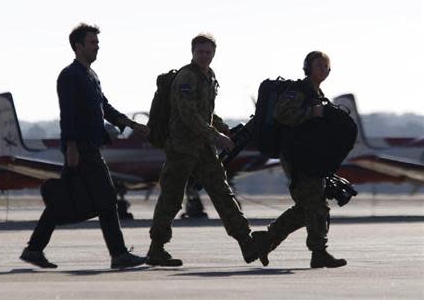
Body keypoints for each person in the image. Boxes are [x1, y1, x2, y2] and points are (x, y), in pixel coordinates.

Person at [20, 23, 149, 269]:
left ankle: (34, 249)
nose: (97, 47)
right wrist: (71, 146)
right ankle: (119, 254)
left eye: (97, 43)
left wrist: (131, 124)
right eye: (92, 43)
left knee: (64, 200)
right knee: (107, 200)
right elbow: (67, 114)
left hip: (90, 147)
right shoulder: (70, 76)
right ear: (78, 46)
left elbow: (105, 108)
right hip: (82, 149)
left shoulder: (91, 76)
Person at [146, 34, 259, 266]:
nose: (204, 56)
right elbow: (188, 114)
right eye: (200, 52)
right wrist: (214, 135)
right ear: (192, 52)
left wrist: (223, 129)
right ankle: (156, 248)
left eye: (208, 52)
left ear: (214, 54)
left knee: (223, 194)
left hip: (204, 149)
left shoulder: (209, 77)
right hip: (182, 148)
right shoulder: (186, 77)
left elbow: (206, 111)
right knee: (171, 198)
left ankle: (246, 242)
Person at [253, 51, 347, 268]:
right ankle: (318, 252)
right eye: (319, 66)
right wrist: (311, 113)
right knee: (315, 206)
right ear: (308, 68)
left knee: (308, 207)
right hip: (297, 158)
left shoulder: (316, 93)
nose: (324, 70)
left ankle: (265, 241)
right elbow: (280, 114)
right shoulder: (299, 91)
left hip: (309, 157)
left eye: (327, 67)